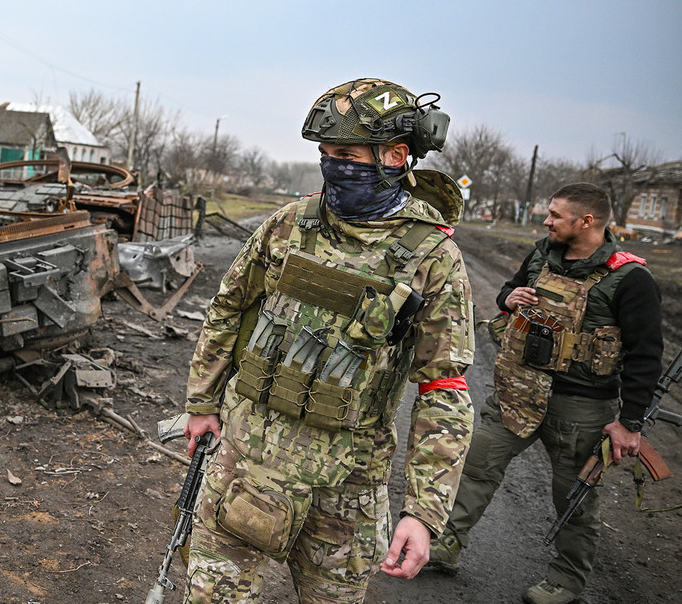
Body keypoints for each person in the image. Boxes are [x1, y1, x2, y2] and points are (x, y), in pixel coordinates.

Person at [180, 78, 476, 603]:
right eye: (325, 153)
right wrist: (202, 402)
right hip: (246, 462)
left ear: (396, 155)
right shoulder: (288, 224)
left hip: (346, 488)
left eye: (345, 153)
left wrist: (423, 511)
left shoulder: (433, 256)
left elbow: (444, 387)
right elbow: (229, 307)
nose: (331, 164)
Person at [427, 182, 663, 604]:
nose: (546, 220)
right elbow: (507, 292)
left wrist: (630, 424)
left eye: (555, 215)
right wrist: (509, 297)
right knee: (477, 466)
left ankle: (566, 581)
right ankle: (446, 542)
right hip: (519, 392)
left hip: (583, 408)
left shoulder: (630, 278)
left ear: (586, 221)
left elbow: (647, 355)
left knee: (573, 499)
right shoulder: (541, 255)